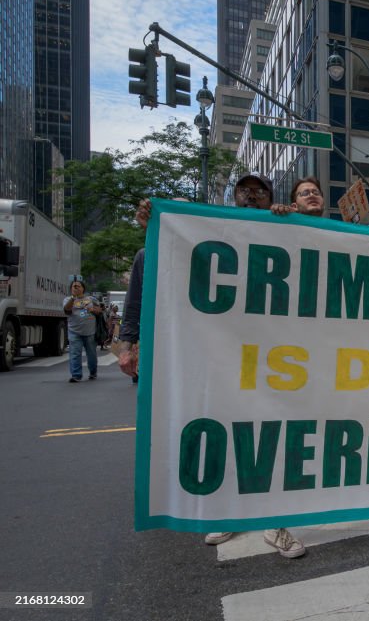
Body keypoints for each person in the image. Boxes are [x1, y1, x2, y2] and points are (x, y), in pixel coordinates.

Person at [126, 177, 307, 558]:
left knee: (273, 439)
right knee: (226, 436)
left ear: (272, 200)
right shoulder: (211, 240)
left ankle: (275, 521)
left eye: (260, 193)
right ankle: (227, 512)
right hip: (220, 362)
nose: (251, 197)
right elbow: (150, 275)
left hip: (277, 364)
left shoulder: (286, 234)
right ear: (232, 200)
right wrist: (161, 226)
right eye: (244, 192)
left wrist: (292, 219)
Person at [63, 279, 104, 382]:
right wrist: (73, 297)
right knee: (75, 354)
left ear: (83, 288)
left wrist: (93, 310)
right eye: (74, 286)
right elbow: (67, 310)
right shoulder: (68, 299)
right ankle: (76, 375)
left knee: (91, 354)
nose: (76, 288)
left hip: (90, 332)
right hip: (74, 331)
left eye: (78, 286)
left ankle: (93, 372)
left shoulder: (91, 299)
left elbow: (100, 311)